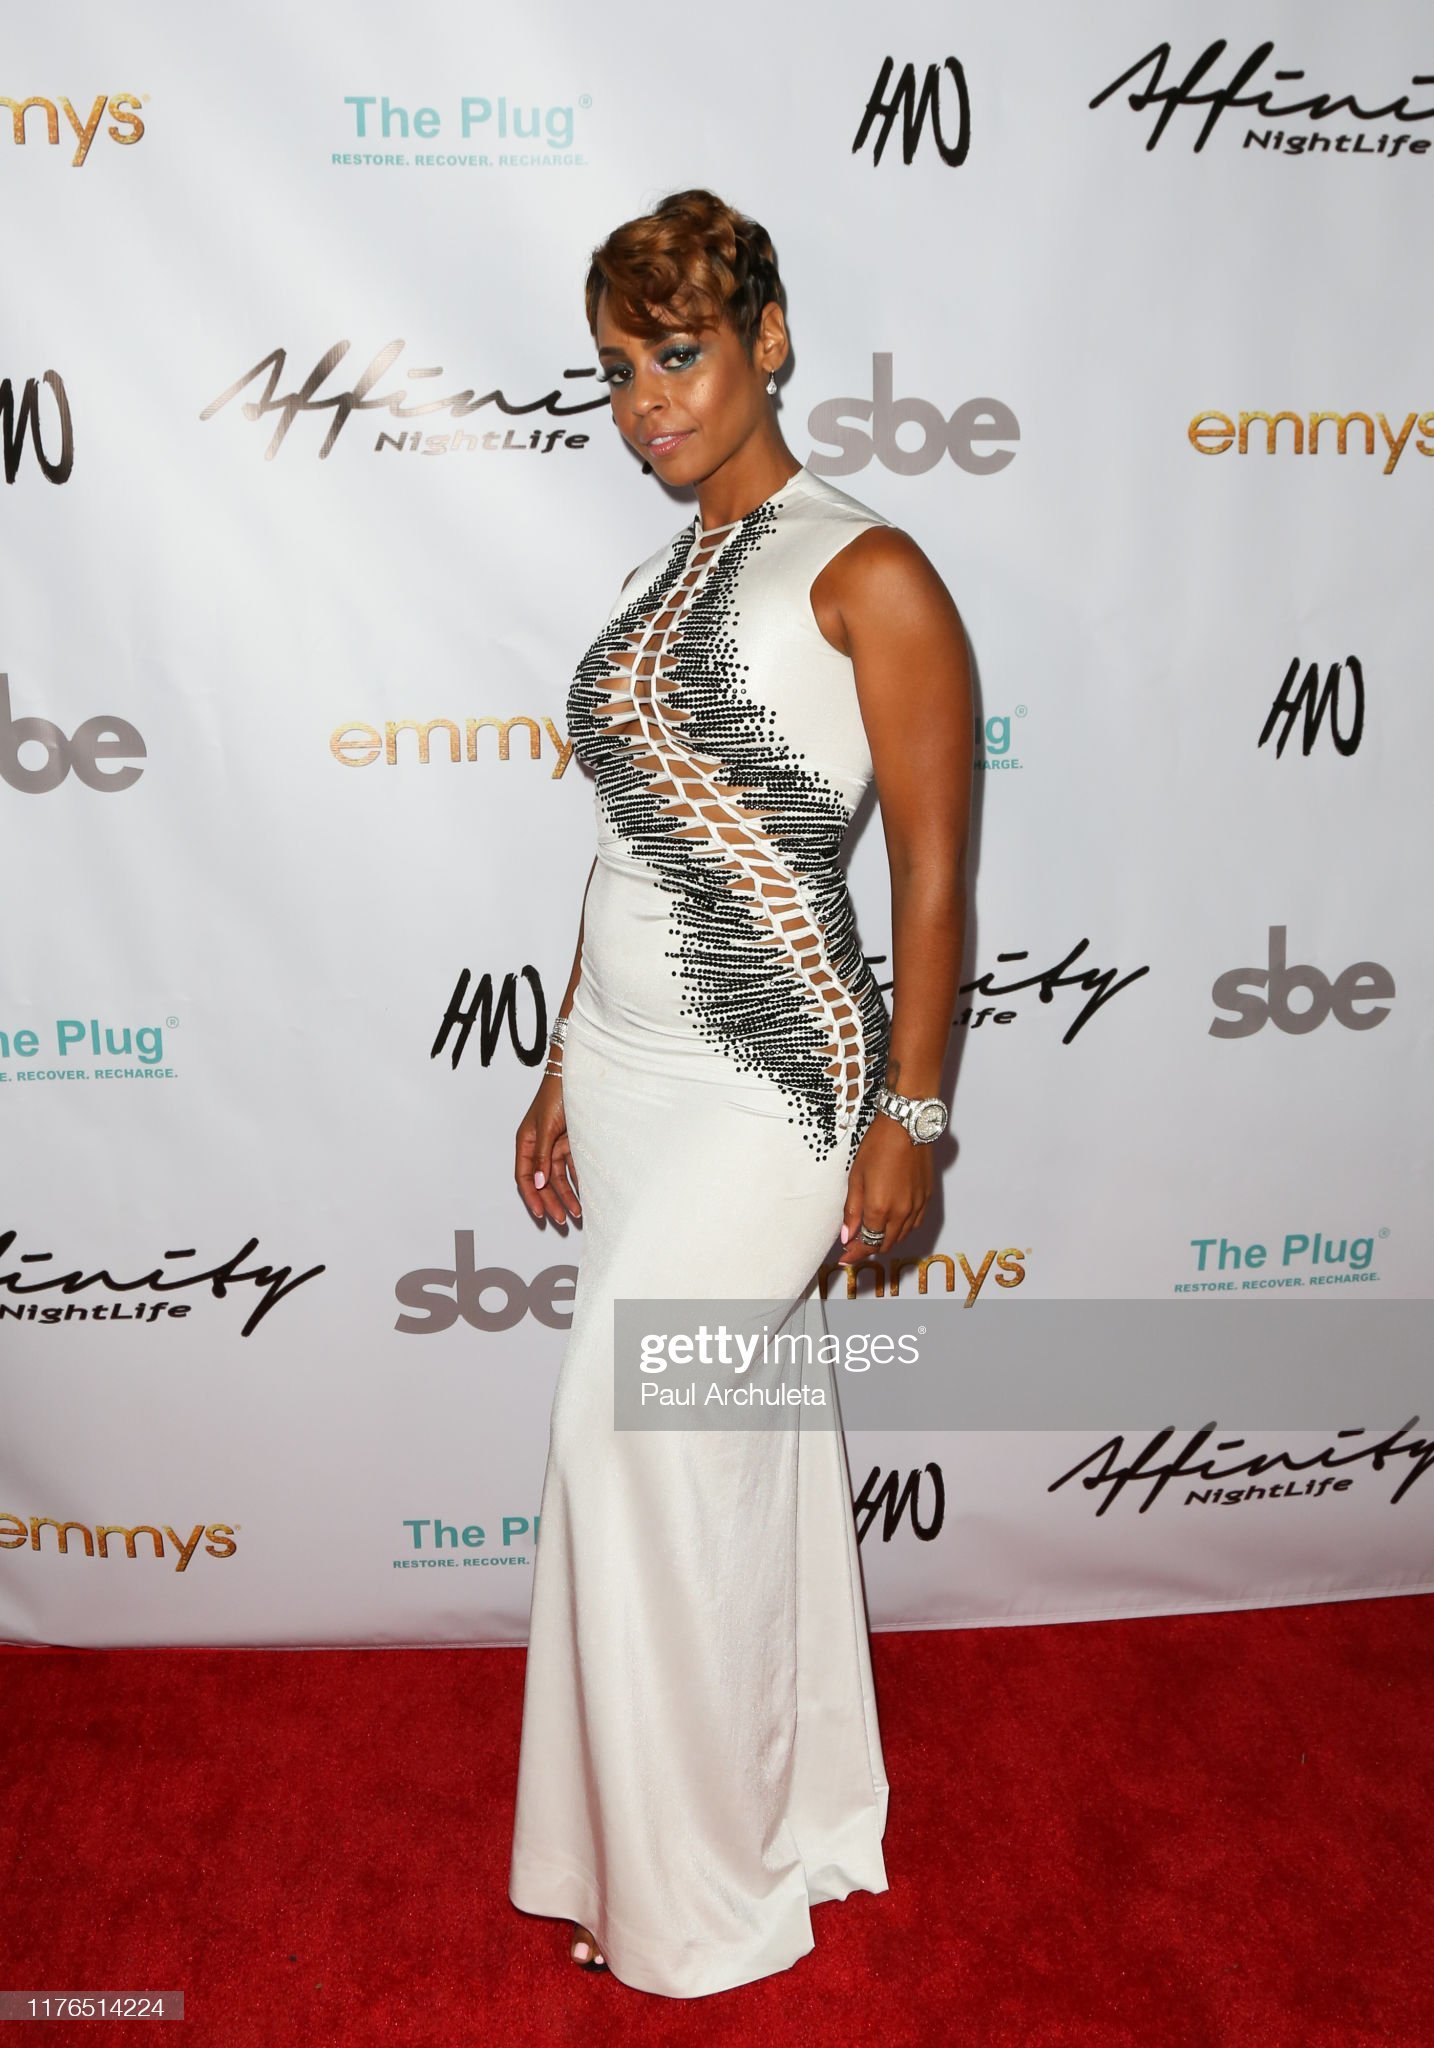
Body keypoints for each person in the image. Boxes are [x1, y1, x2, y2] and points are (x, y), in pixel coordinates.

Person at [507, 187, 972, 1998]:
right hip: (625, 1070)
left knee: (625, 1437)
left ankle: (690, 1893)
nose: (647, 404)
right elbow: (626, 851)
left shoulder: (868, 571)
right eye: (617, 372)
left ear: (768, 341)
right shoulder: (651, 581)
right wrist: (559, 1054)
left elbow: (930, 877)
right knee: (736, 1457)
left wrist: (908, 1119)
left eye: (678, 356)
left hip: (773, 1078)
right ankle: (795, 1806)